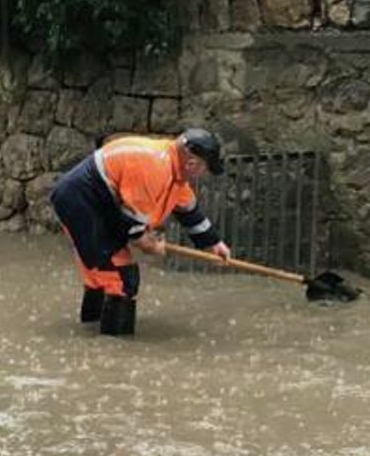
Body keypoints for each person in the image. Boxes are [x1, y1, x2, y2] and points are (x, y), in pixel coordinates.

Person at [48, 128, 232, 336]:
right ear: (192, 164)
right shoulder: (155, 169)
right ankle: (115, 352)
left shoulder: (174, 171)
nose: (204, 175)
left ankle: (90, 334)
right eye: (206, 169)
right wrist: (151, 244)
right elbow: (135, 231)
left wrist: (214, 244)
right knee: (122, 278)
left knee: (101, 276)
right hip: (81, 202)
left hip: (96, 204)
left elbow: (189, 212)